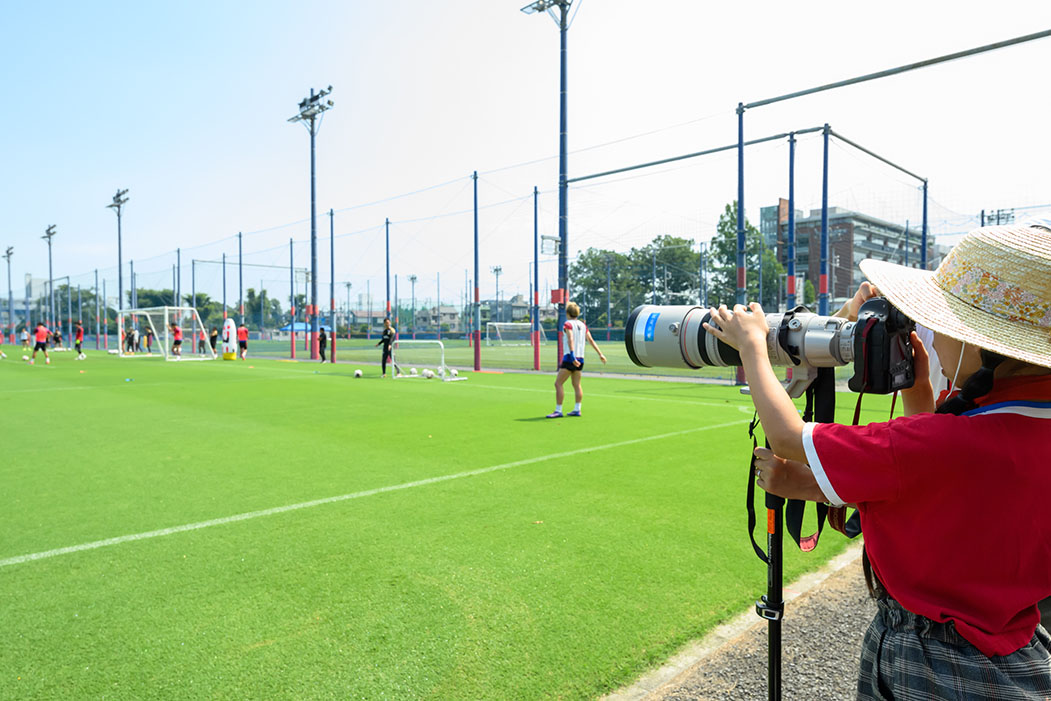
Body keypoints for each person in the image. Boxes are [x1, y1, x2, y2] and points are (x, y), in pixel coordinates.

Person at [704, 223, 1051, 699]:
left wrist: (752, 349)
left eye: (942, 327)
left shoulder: (944, 440)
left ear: (977, 343)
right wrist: (919, 387)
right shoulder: (1024, 428)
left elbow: (787, 437)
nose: (934, 339)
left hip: (931, 664)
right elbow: (946, 488)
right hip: (1015, 653)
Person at [547, 301, 606, 418]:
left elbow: (570, 339)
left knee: (558, 383)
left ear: (568, 313)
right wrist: (600, 354)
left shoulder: (567, 324)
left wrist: (572, 356)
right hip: (581, 358)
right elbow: (591, 340)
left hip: (570, 357)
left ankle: (558, 410)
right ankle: (577, 409)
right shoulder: (583, 325)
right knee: (576, 384)